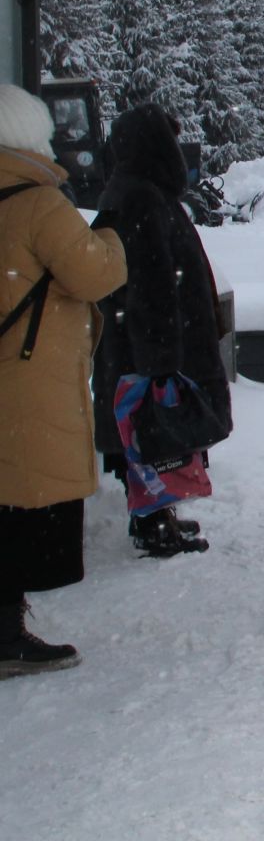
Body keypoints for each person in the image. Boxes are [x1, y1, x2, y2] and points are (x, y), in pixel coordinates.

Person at [0, 84, 127, 677]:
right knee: (24, 502)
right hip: (29, 378)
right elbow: (94, 274)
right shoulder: (37, 202)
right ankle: (7, 630)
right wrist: (113, 238)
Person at [91, 105, 227, 558]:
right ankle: (150, 523)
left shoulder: (130, 191)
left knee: (146, 430)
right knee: (152, 429)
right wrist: (162, 359)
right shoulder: (144, 198)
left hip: (135, 343)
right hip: (149, 346)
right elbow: (152, 286)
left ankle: (156, 514)